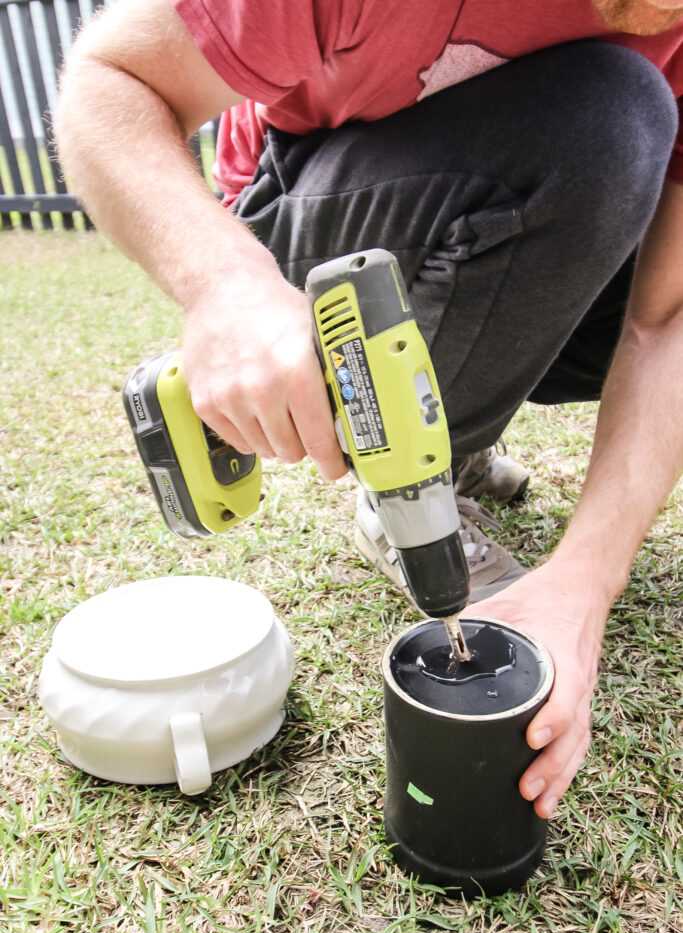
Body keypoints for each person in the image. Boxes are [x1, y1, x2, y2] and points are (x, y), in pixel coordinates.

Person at [55, 0, 683, 821]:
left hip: (514, 185)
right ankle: (407, 487)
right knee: (611, 114)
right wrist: (227, 288)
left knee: (616, 143)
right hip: (299, 210)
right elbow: (111, 77)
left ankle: (450, 445)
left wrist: (583, 584)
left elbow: (665, 317)